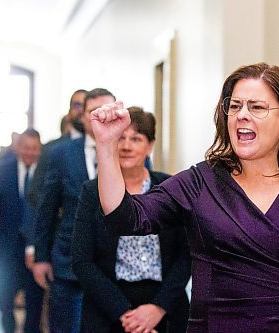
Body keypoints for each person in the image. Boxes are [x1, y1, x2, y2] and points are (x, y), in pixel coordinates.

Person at [90, 63, 279, 332]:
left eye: (257, 107)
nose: (242, 116)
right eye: (234, 106)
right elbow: (126, 217)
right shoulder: (200, 183)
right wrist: (106, 146)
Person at [72, 107, 191, 333]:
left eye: (136, 139)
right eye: (121, 138)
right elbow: (82, 261)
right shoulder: (92, 191)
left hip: (165, 305)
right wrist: (125, 314)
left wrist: (157, 308)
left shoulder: (170, 188)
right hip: (108, 307)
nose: (126, 146)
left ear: (150, 145)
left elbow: (185, 256)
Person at [33, 88, 116, 333]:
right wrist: (40, 257)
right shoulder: (61, 154)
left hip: (112, 266)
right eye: (94, 111)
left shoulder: (130, 150)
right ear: (83, 116)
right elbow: (47, 208)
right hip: (68, 262)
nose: (101, 117)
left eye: (107, 110)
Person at [0, 128, 44, 333]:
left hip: (36, 247)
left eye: (34, 149)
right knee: (6, 295)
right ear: (19, 148)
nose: (30, 153)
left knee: (34, 297)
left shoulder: (46, 173)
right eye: (26, 148)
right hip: (7, 244)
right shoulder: (2, 171)